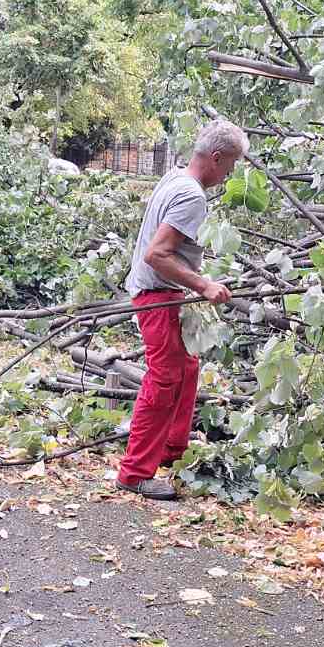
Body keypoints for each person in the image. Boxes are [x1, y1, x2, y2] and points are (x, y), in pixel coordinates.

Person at [116, 120, 247, 501]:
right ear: (217, 158)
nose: (231, 172)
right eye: (232, 164)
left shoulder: (175, 177)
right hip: (157, 295)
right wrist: (203, 285)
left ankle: (173, 450)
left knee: (186, 367)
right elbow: (157, 254)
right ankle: (135, 473)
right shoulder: (193, 196)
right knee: (165, 376)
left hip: (160, 291)